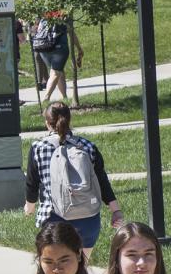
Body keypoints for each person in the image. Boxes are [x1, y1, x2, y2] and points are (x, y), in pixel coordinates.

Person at [24, 102, 125, 252]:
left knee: (59, 268)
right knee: (82, 268)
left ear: (47, 123)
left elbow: (32, 183)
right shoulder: (88, 146)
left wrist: (30, 207)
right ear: (69, 119)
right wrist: (115, 211)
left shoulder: (38, 148)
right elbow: (102, 181)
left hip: (54, 219)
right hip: (88, 219)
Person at [29, 12, 83, 105]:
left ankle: (64, 97)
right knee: (55, 72)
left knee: (58, 71)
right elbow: (71, 32)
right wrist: (79, 48)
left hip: (43, 48)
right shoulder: (63, 14)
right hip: (59, 48)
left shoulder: (44, 13)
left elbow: (34, 29)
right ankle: (46, 99)